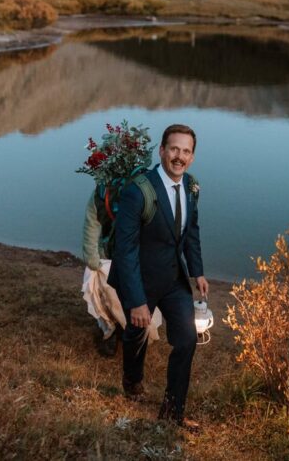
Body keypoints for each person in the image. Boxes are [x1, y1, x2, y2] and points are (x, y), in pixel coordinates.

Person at [108, 124, 208, 429]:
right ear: (162, 151)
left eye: (186, 151)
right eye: (174, 149)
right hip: (139, 277)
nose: (179, 156)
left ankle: (173, 410)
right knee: (136, 333)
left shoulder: (191, 187)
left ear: (192, 157)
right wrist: (137, 301)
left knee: (187, 340)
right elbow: (125, 251)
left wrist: (197, 271)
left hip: (173, 278)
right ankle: (132, 380)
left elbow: (191, 232)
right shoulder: (138, 191)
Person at [80, 194, 162, 356]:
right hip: (107, 256)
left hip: (138, 256)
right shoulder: (101, 194)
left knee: (140, 290)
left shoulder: (145, 191)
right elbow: (91, 225)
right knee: (106, 288)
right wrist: (93, 259)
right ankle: (112, 328)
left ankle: (137, 331)